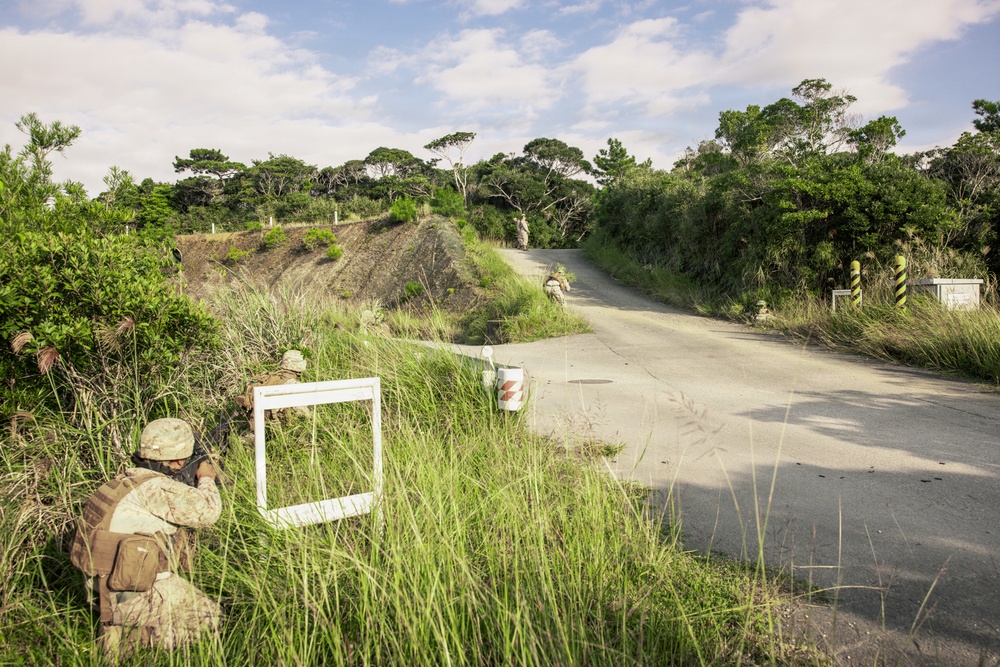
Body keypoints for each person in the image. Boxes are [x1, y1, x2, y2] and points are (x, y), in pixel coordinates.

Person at [69, 418, 222, 656]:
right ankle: (128, 640)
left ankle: (121, 624)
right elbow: (208, 512)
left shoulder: (123, 482)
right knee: (209, 618)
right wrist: (206, 477)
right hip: (128, 593)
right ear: (180, 460)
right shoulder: (157, 488)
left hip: (100, 586)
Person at [234, 349, 311, 426]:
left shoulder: (269, 377)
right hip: (275, 424)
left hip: (254, 420)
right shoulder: (293, 384)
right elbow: (303, 412)